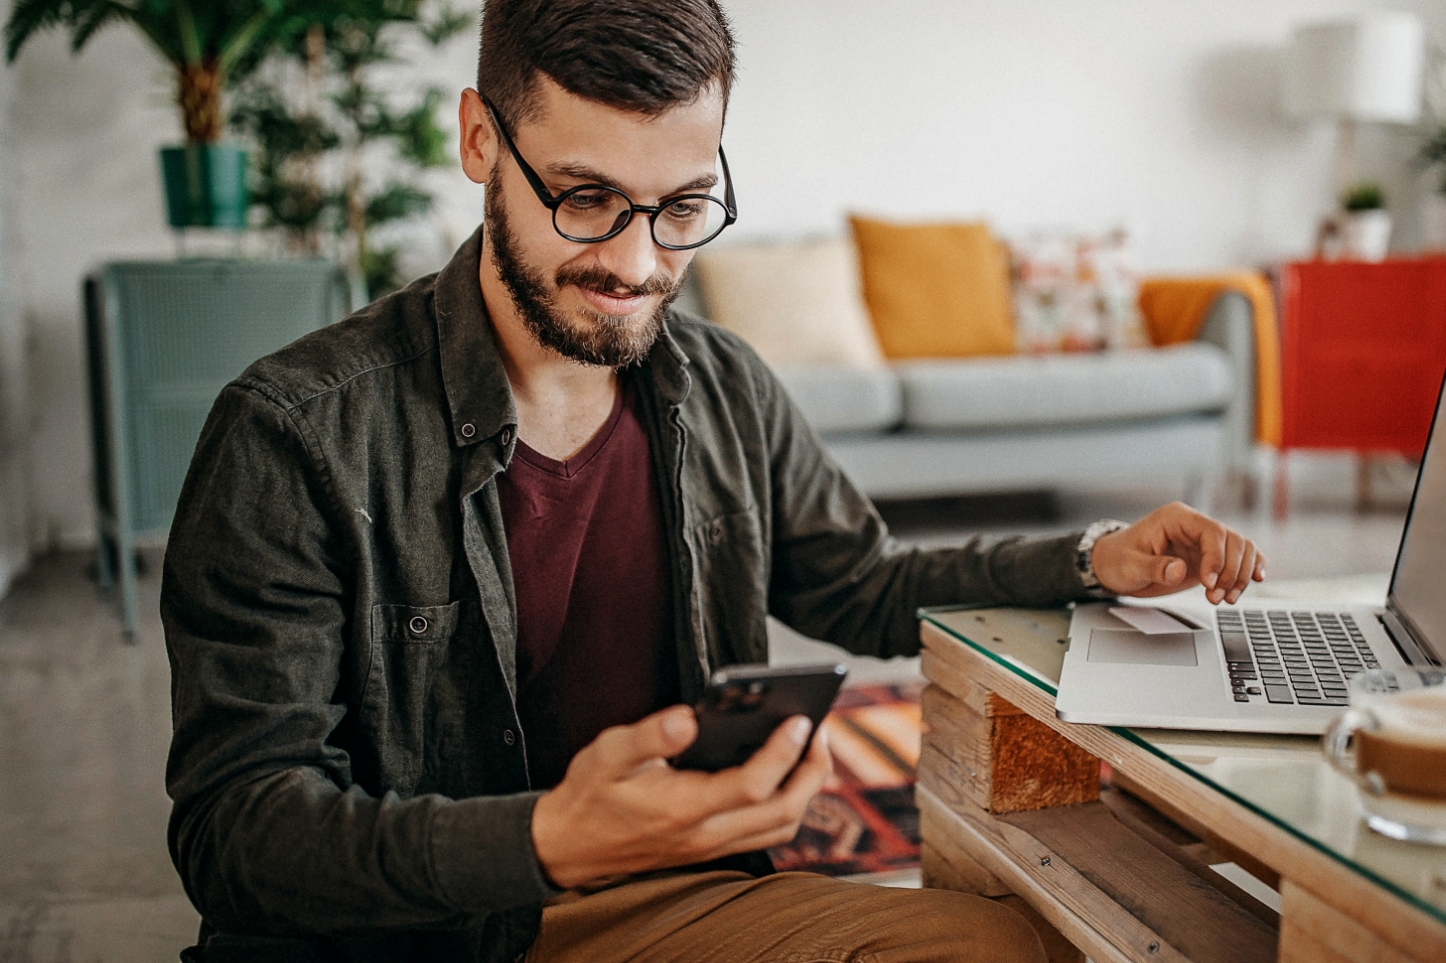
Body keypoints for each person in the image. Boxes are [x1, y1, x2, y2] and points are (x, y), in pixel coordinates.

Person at [161, 1, 1265, 960]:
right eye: (585, 200)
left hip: (673, 906)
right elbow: (238, 834)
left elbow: (860, 585)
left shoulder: (721, 382)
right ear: (480, 141)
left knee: (1013, 947)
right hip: (425, 937)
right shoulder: (294, 436)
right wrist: (546, 839)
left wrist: (1085, 560)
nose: (639, 266)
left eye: (684, 207)